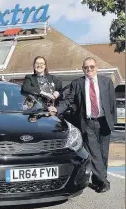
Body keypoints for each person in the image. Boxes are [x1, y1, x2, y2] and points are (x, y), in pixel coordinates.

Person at [48, 57, 117, 193]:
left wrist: (113, 122)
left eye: (91, 67)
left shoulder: (106, 81)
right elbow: (68, 101)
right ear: (83, 69)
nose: (89, 69)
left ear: (96, 67)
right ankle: (105, 182)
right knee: (94, 153)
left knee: (103, 154)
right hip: (88, 123)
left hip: (104, 122)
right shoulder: (77, 83)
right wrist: (57, 110)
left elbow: (112, 103)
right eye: (86, 67)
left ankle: (98, 182)